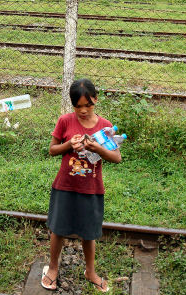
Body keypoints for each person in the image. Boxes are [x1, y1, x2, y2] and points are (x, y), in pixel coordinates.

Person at [41, 79, 122, 293]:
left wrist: (98, 148)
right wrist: (69, 145)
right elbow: (52, 150)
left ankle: (90, 272)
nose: (83, 111)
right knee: (57, 229)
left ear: (96, 99)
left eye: (88, 105)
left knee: (89, 232)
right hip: (65, 185)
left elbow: (116, 157)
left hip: (91, 188)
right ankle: (53, 268)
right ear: (72, 105)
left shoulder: (105, 126)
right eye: (78, 107)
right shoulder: (65, 121)